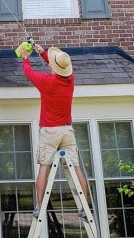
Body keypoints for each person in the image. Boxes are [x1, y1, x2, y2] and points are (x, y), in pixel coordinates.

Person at [18, 43, 89, 219]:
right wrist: (42, 52)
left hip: (50, 132)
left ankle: (40, 206)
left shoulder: (47, 82)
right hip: (67, 131)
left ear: (53, 67)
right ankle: (84, 206)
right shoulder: (70, 80)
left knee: (44, 167)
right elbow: (55, 66)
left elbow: (29, 73)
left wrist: (26, 57)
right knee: (77, 168)